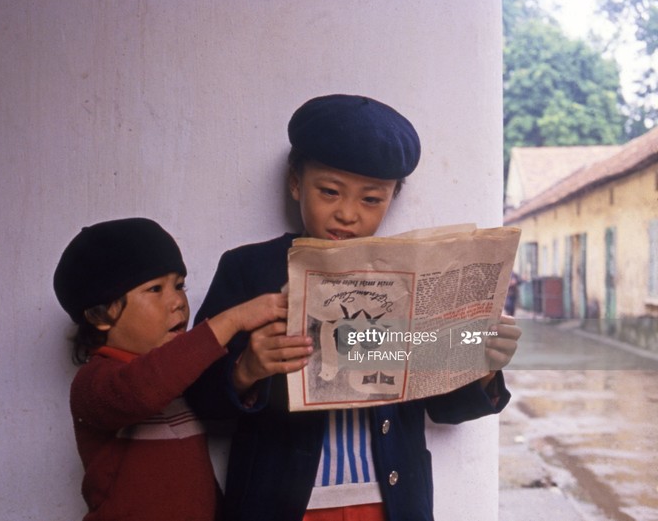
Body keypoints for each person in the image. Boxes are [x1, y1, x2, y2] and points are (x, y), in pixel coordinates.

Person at [186, 94, 522, 521]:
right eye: (329, 191)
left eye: (371, 199)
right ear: (295, 183)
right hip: (281, 503)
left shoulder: (415, 277)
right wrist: (246, 369)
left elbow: (445, 408)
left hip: (391, 502)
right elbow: (199, 398)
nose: (347, 214)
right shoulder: (248, 269)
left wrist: (483, 363)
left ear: (393, 198)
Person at [53, 217, 298, 521]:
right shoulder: (94, 383)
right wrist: (232, 319)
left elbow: (197, 487)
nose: (178, 302)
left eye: (180, 285)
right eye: (155, 289)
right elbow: (143, 389)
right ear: (100, 314)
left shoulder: (178, 383)